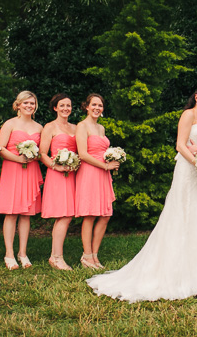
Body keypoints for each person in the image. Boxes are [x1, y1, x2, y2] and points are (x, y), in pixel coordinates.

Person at [86, 85, 197, 302]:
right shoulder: (188, 115)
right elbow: (180, 145)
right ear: (196, 97)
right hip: (188, 171)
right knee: (183, 213)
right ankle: (176, 270)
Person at [0, 91, 44, 270]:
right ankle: (9, 253)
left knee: (26, 213)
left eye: (32, 103)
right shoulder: (10, 124)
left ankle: (22, 253)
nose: (29, 106)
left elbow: (42, 151)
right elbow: (0, 147)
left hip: (30, 170)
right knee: (11, 212)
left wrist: (34, 155)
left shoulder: (39, 127)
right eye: (26, 103)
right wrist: (17, 159)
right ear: (18, 105)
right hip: (12, 169)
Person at [75, 94, 118, 269]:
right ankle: (86, 256)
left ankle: (95, 254)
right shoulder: (82, 126)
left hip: (103, 172)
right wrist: (104, 166)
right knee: (90, 214)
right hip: (90, 172)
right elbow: (83, 154)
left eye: (100, 105)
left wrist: (112, 162)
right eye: (94, 104)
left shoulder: (101, 128)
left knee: (106, 214)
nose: (97, 108)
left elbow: (103, 150)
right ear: (87, 106)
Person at [39, 93, 78, 270]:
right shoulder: (49, 127)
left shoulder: (76, 128)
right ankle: (57, 257)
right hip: (57, 174)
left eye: (68, 105)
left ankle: (55, 255)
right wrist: (57, 167)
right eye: (62, 105)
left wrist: (74, 164)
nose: (65, 109)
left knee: (66, 215)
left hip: (72, 174)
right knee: (64, 215)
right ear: (55, 108)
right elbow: (43, 154)